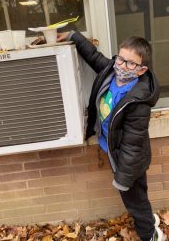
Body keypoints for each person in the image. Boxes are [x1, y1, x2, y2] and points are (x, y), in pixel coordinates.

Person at [57, 31, 163, 241]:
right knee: (138, 195)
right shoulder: (110, 72)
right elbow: (93, 56)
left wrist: (123, 177)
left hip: (129, 160)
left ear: (142, 70)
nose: (123, 66)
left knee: (132, 197)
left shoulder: (138, 102)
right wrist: (73, 35)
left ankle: (150, 234)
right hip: (116, 152)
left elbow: (133, 144)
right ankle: (148, 219)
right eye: (121, 59)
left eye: (131, 64)